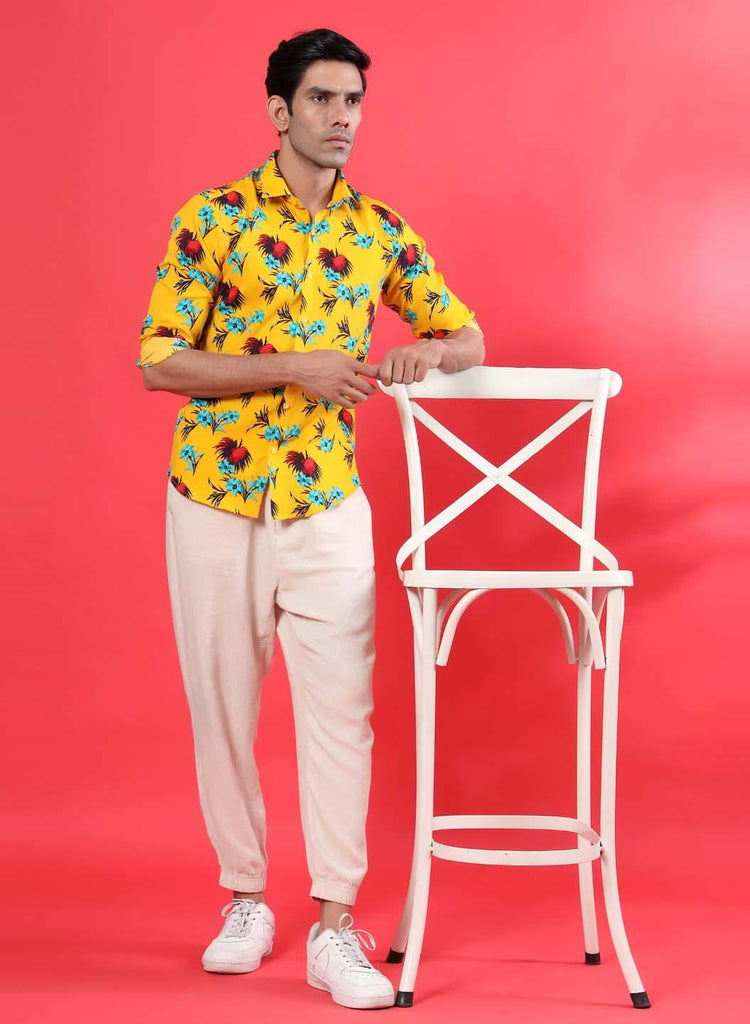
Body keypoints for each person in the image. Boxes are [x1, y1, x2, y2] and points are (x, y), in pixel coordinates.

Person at [136, 26, 484, 1010]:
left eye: (353, 101)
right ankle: (245, 898)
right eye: (324, 99)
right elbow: (161, 361)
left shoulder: (380, 230)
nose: (342, 118)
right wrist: (297, 367)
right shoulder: (212, 219)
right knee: (222, 708)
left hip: (328, 501)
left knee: (342, 714)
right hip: (213, 499)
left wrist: (429, 350)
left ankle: (335, 926)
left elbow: (467, 333)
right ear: (279, 109)